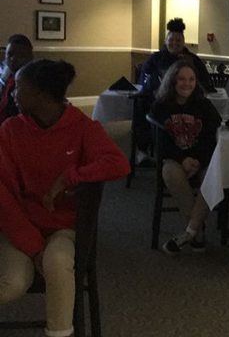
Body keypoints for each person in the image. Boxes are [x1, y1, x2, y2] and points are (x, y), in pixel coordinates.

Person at [0, 59, 130, 337]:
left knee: (57, 262)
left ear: (41, 94)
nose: (12, 92)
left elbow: (118, 163)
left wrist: (70, 177)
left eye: (18, 88)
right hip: (22, 228)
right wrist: (34, 247)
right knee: (12, 284)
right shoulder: (10, 130)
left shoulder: (82, 127)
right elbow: (5, 199)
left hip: (64, 228)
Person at [150, 60, 221, 255]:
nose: (186, 83)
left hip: (201, 159)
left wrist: (198, 160)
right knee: (171, 173)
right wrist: (183, 159)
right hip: (174, 159)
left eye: (191, 79)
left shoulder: (204, 106)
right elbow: (160, 144)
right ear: (172, 81)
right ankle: (197, 231)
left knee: (213, 176)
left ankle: (189, 232)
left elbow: (213, 139)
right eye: (181, 79)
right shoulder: (161, 107)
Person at [134, 18, 213, 156]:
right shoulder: (155, 59)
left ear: (183, 42)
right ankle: (143, 148)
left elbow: (205, 81)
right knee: (141, 104)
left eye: (178, 40)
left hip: (187, 102)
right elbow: (145, 81)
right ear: (166, 41)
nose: (174, 43)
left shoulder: (192, 60)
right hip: (160, 100)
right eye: (171, 40)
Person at [0, 34, 34, 125]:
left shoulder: (33, 84)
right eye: (9, 54)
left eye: (21, 56)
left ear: (30, 58)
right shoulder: (4, 76)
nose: (13, 59)